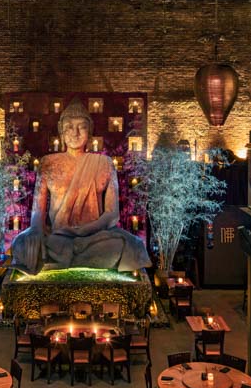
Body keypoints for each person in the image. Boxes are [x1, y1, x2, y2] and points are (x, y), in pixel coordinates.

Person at [9, 99, 150, 273]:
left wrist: (83, 231)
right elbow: (38, 211)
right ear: (61, 132)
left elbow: (111, 214)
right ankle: (74, 258)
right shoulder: (48, 163)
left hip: (94, 236)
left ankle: (61, 260)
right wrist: (36, 230)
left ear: (89, 132)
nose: (75, 133)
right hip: (58, 236)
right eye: (69, 127)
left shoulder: (104, 163)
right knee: (20, 245)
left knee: (131, 245)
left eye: (81, 127)